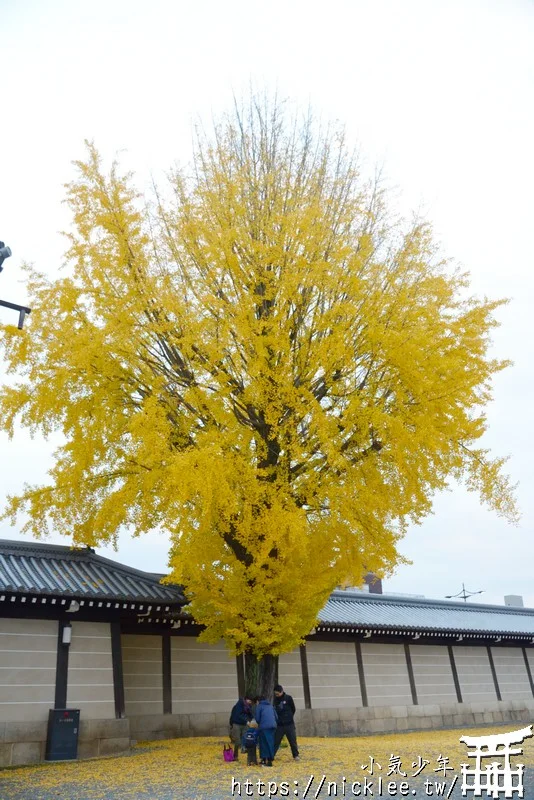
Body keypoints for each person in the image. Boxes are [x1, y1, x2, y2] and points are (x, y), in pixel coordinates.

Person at [273, 683, 299, 760]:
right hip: (279, 725)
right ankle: (272, 755)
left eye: (278, 694)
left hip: (289, 724)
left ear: (282, 691)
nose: (277, 695)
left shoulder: (288, 698)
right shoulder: (274, 700)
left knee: (293, 741)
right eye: (275, 694)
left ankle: (295, 755)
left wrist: (289, 717)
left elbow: (293, 709)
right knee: (276, 742)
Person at [254, 695, 278, 766]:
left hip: (264, 727)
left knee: (263, 743)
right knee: (270, 742)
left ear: (258, 701)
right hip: (273, 726)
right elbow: (276, 717)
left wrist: (259, 724)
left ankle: (264, 760)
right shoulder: (270, 706)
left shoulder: (259, 706)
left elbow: (257, 718)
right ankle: (270, 759)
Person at [229, 696, 253, 760]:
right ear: (246, 699)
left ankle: (244, 749)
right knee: (237, 741)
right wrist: (231, 724)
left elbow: (250, 715)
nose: (250, 703)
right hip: (237, 724)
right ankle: (235, 755)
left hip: (245, 724)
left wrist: (250, 720)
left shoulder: (248, 706)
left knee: (245, 738)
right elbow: (237, 715)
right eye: (250, 701)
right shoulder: (238, 706)